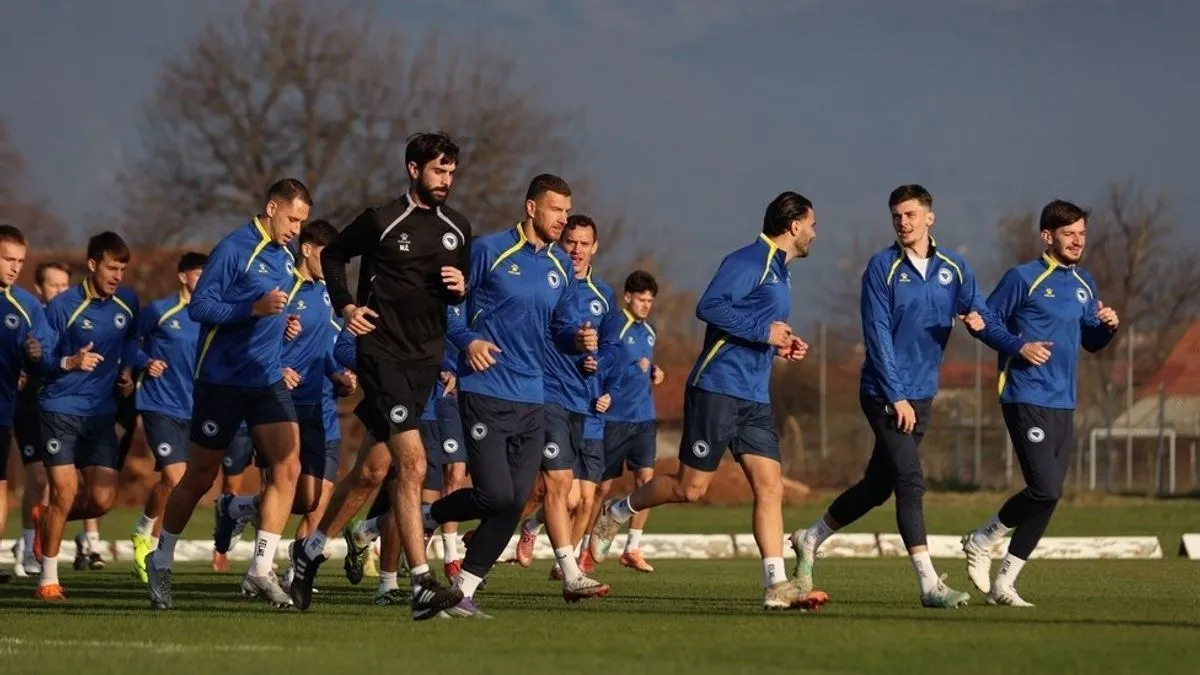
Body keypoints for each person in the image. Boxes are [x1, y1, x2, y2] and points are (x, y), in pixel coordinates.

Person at [590, 191, 828, 612]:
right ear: (793, 225)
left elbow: (757, 325)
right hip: (716, 389)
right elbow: (710, 307)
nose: (815, 231)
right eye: (811, 223)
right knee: (690, 489)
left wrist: (780, 344)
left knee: (769, 486)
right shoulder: (748, 261)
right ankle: (620, 508)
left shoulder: (781, 272)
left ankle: (775, 583)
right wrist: (763, 333)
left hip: (754, 396)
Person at [288, 132, 472, 619]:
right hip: (382, 355)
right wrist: (345, 305)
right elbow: (332, 255)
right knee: (412, 464)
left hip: (424, 362)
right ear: (414, 170)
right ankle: (420, 584)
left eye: (451, 172)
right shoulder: (382, 220)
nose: (446, 180)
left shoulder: (458, 228)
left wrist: (460, 286)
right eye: (438, 170)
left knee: (372, 470)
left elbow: (454, 292)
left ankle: (307, 552)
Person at [790, 184, 984, 609]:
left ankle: (811, 537)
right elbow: (876, 335)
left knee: (878, 486)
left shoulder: (954, 267)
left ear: (930, 217)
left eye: (911, 214)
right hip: (883, 393)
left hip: (923, 395)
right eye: (897, 215)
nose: (903, 221)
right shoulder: (882, 267)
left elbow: (981, 313)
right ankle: (929, 584)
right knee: (910, 480)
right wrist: (896, 397)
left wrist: (1009, 339)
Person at [430, 174, 604, 617]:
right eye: (556, 211)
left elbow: (559, 330)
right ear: (531, 208)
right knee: (493, 496)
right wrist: (468, 341)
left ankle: (462, 592)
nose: (563, 220)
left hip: (533, 396)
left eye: (567, 211)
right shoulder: (489, 250)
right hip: (485, 389)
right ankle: (425, 519)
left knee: (516, 500)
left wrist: (578, 338)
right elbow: (450, 309)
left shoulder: (561, 267)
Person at [145, 178, 312, 610]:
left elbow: (272, 305)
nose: (296, 228)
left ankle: (259, 569)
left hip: (266, 379)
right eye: (292, 218)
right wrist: (252, 311)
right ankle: (160, 559)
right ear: (271, 207)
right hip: (221, 380)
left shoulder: (284, 253)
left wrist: (284, 321)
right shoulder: (235, 248)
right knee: (200, 477)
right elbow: (201, 307)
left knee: (287, 466)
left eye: (302, 221)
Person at [962, 199, 1118, 607]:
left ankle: (1005, 584)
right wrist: (1020, 346)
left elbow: (1091, 342)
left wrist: (1107, 328)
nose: (1077, 241)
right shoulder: (1023, 277)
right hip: (1024, 393)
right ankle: (982, 538)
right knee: (1044, 487)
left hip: (1063, 400)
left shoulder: (1085, 284)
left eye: (1082, 234)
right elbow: (984, 321)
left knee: (1050, 494)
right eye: (1069, 234)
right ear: (1048, 236)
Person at [513, 214, 618, 597]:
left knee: (530, 492)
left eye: (583, 243)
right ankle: (571, 572)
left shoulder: (603, 295)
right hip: (542, 393)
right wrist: (575, 339)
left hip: (583, 403)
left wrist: (598, 361)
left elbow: (612, 346)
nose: (575, 250)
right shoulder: (545, 281)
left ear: (595, 248)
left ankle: (469, 539)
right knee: (563, 489)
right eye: (570, 242)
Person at [35, 231, 141, 600]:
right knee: (65, 493)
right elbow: (42, 360)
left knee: (102, 501)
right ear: (93, 264)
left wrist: (128, 370)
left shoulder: (127, 303)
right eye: (112, 268)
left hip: (101, 415)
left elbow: (132, 341)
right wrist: (72, 361)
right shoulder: (63, 306)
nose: (117, 276)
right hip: (59, 409)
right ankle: (48, 579)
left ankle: (45, 520)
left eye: (123, 269)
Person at [129, 252, 208, 583]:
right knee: (177, 480)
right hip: (159, 405)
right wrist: (146, 361)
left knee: (172, 482)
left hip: (196, 409)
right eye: (198, 274)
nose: (204, 280)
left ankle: (143, 529)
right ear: (182, 277)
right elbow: (129, 341)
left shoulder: (212, 317)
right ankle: (157, 553)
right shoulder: (161, 310)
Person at [585, 270, 664, 573]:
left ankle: (632, 547)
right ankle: (583, 552)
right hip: (614, 419)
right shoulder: (614, 326)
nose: (646, 306)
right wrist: (603, 394)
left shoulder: (650, 332)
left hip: (644, 418)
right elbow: (601, 363)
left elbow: (638, 366)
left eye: (650, 301)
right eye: (641, 299)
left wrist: (654, 371)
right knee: (600, 489)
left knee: (645, 481)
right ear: (628, 296)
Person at [0, 225, 53, 585]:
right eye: (7, 259)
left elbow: (45, 356)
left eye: (20, 261)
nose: (15, 267)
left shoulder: (28, 305)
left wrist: (36, 357)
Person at [10, 261, 70, 578]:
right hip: (26, 405)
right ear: (39, 289)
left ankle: (30, 544)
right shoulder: (27, 313)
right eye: (54, 285)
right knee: (36, 479)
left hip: (61, 409)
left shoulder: (72, 318)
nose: (60, 291)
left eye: (65, 285)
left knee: (58, 485)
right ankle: (31, 546)